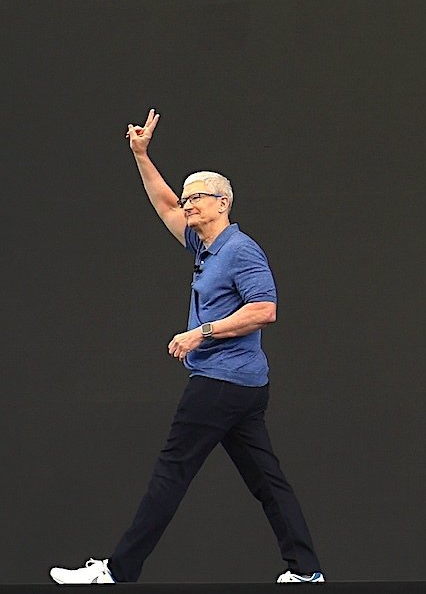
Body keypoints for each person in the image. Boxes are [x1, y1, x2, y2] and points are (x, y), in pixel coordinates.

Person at [51, 110, 326, 584]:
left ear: (222, 203)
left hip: (220, 382)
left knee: (171, 473)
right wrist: (141, 155)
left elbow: (265, 309)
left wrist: (203, 333)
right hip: (243, 387)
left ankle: (117, 572)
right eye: (187, 196)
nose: (186, 203)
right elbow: (162, 204)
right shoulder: (205, 247)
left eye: (196, 197)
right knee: (268, 482)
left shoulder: (241, 250)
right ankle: (307, 571)